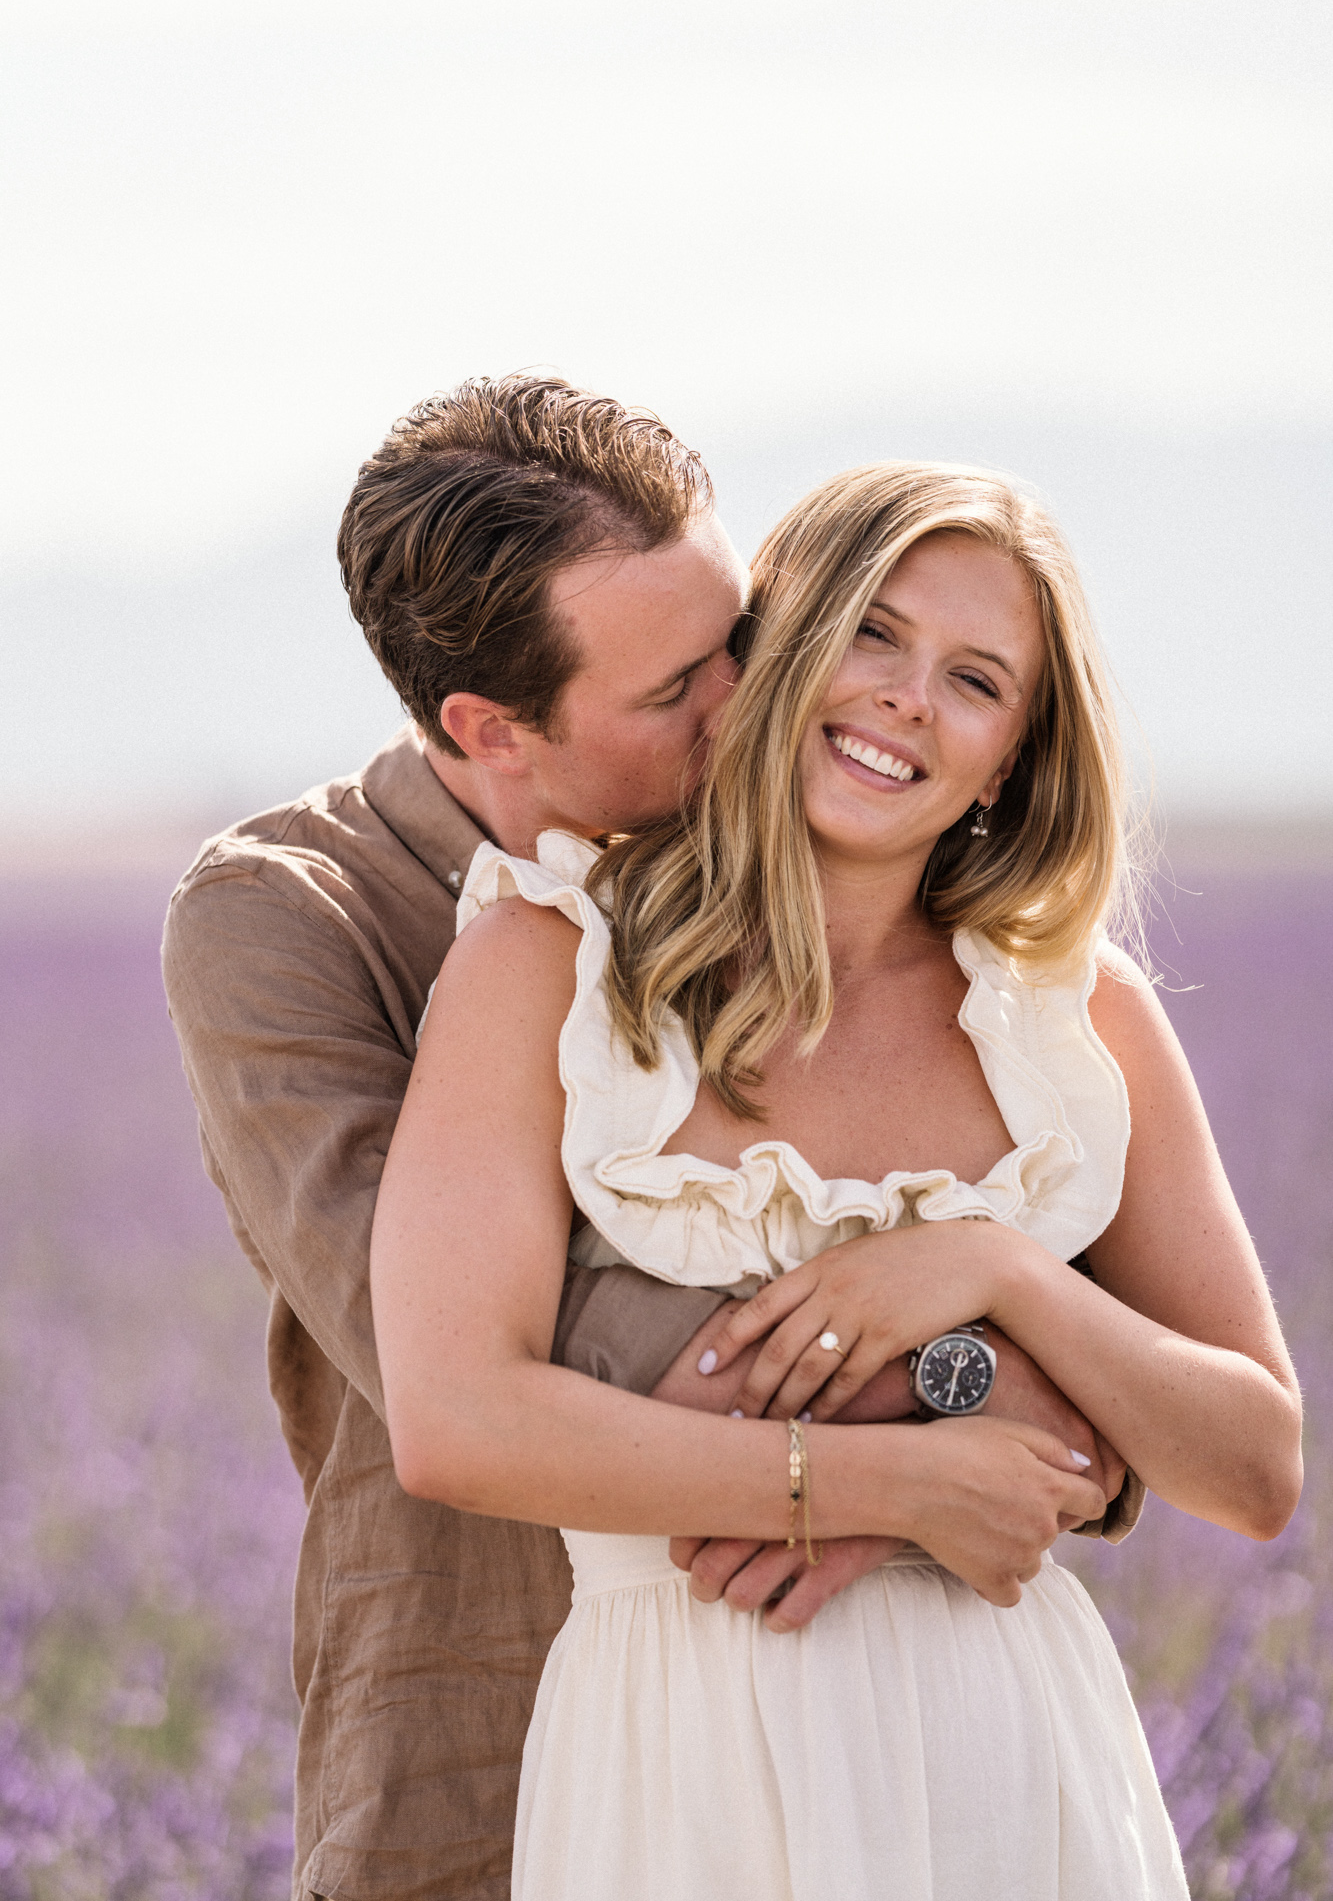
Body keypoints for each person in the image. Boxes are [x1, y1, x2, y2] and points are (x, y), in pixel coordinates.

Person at [163, 379, 1129, 1898]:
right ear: (492, 727)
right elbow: (482, 1351)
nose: (752, 703)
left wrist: (1009, 1339)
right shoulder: (291, 920)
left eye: (743, 639)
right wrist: (965, 1395)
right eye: (676, 688)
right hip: (479, 1689)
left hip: (854, 1717)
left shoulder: (790, 895)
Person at [371, 459, 1303, 1899]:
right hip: (674, 1769)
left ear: (1009, 757)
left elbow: (1252, 1467)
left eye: (975, 681)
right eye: (872, 631)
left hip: (1009, 1762)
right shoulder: (546, 965)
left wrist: (993, 1274)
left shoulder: (1076, 1019)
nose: (905, 700)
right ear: (777, 643)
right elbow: (456, 1418)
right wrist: (889, 1484)